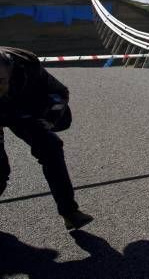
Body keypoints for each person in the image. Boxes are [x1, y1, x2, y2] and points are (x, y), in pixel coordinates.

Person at [0, 46, 94, 230]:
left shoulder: (28, 68)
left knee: (51, 146)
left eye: (0, 81)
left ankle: (70, 212)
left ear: (10, 70)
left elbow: (60, 93)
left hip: (20, 111)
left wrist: (48, 121)